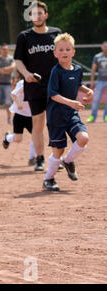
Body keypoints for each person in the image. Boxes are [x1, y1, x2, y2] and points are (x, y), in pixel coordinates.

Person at [14, 1, 62, 171]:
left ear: (46, 15)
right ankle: (40, 158)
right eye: (34, 14)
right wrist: (26, 74)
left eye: (40, 13)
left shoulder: (57, 33)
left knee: (56, 122)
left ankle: (57, 157)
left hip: (56, 86)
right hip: (35, 86)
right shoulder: (25, 37)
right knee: (38, 123)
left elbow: (64, 54)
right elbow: (18, 60)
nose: (37, 16)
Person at [42, 33, 93, 191]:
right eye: (61, 50)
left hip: (71, 114)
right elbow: (53, 94)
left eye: (67, 49)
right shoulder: (55, 71)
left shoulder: (77, 70)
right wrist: (71, 102)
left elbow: (77, 84)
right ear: (55, 53)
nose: (64, 52)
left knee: (83, 138)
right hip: (56, 115)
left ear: (73, 52)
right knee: (58, 150)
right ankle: (48, 179)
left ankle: (69, 161)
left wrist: (88, 91)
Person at [2, 75, 37, 165]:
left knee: (36, 136)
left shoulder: (39, 84)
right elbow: (13, 94)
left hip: (31, 116)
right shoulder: (22, 83)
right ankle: (7, 138)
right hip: (19, 115)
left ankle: (32, 158)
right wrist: (18, 103)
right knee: (18, 139)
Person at [0, 43, 16, 125]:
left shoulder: (11, 58)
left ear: (8, 50)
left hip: (7, 84)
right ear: (0, 50)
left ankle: (9, 119)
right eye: (3, 49)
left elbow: (12, 68)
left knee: (8, 103)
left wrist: (3, 70)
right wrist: (7, 70)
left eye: (6, 49)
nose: (5, 51)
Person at [86, 41, 107, 123]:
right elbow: (93, 70)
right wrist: (92, 81)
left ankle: (106, 116)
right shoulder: (97, 57)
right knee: (96, 99)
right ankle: (93, 116)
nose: (106, 48)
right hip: (100, 81)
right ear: (102, 47)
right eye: (105, 46)